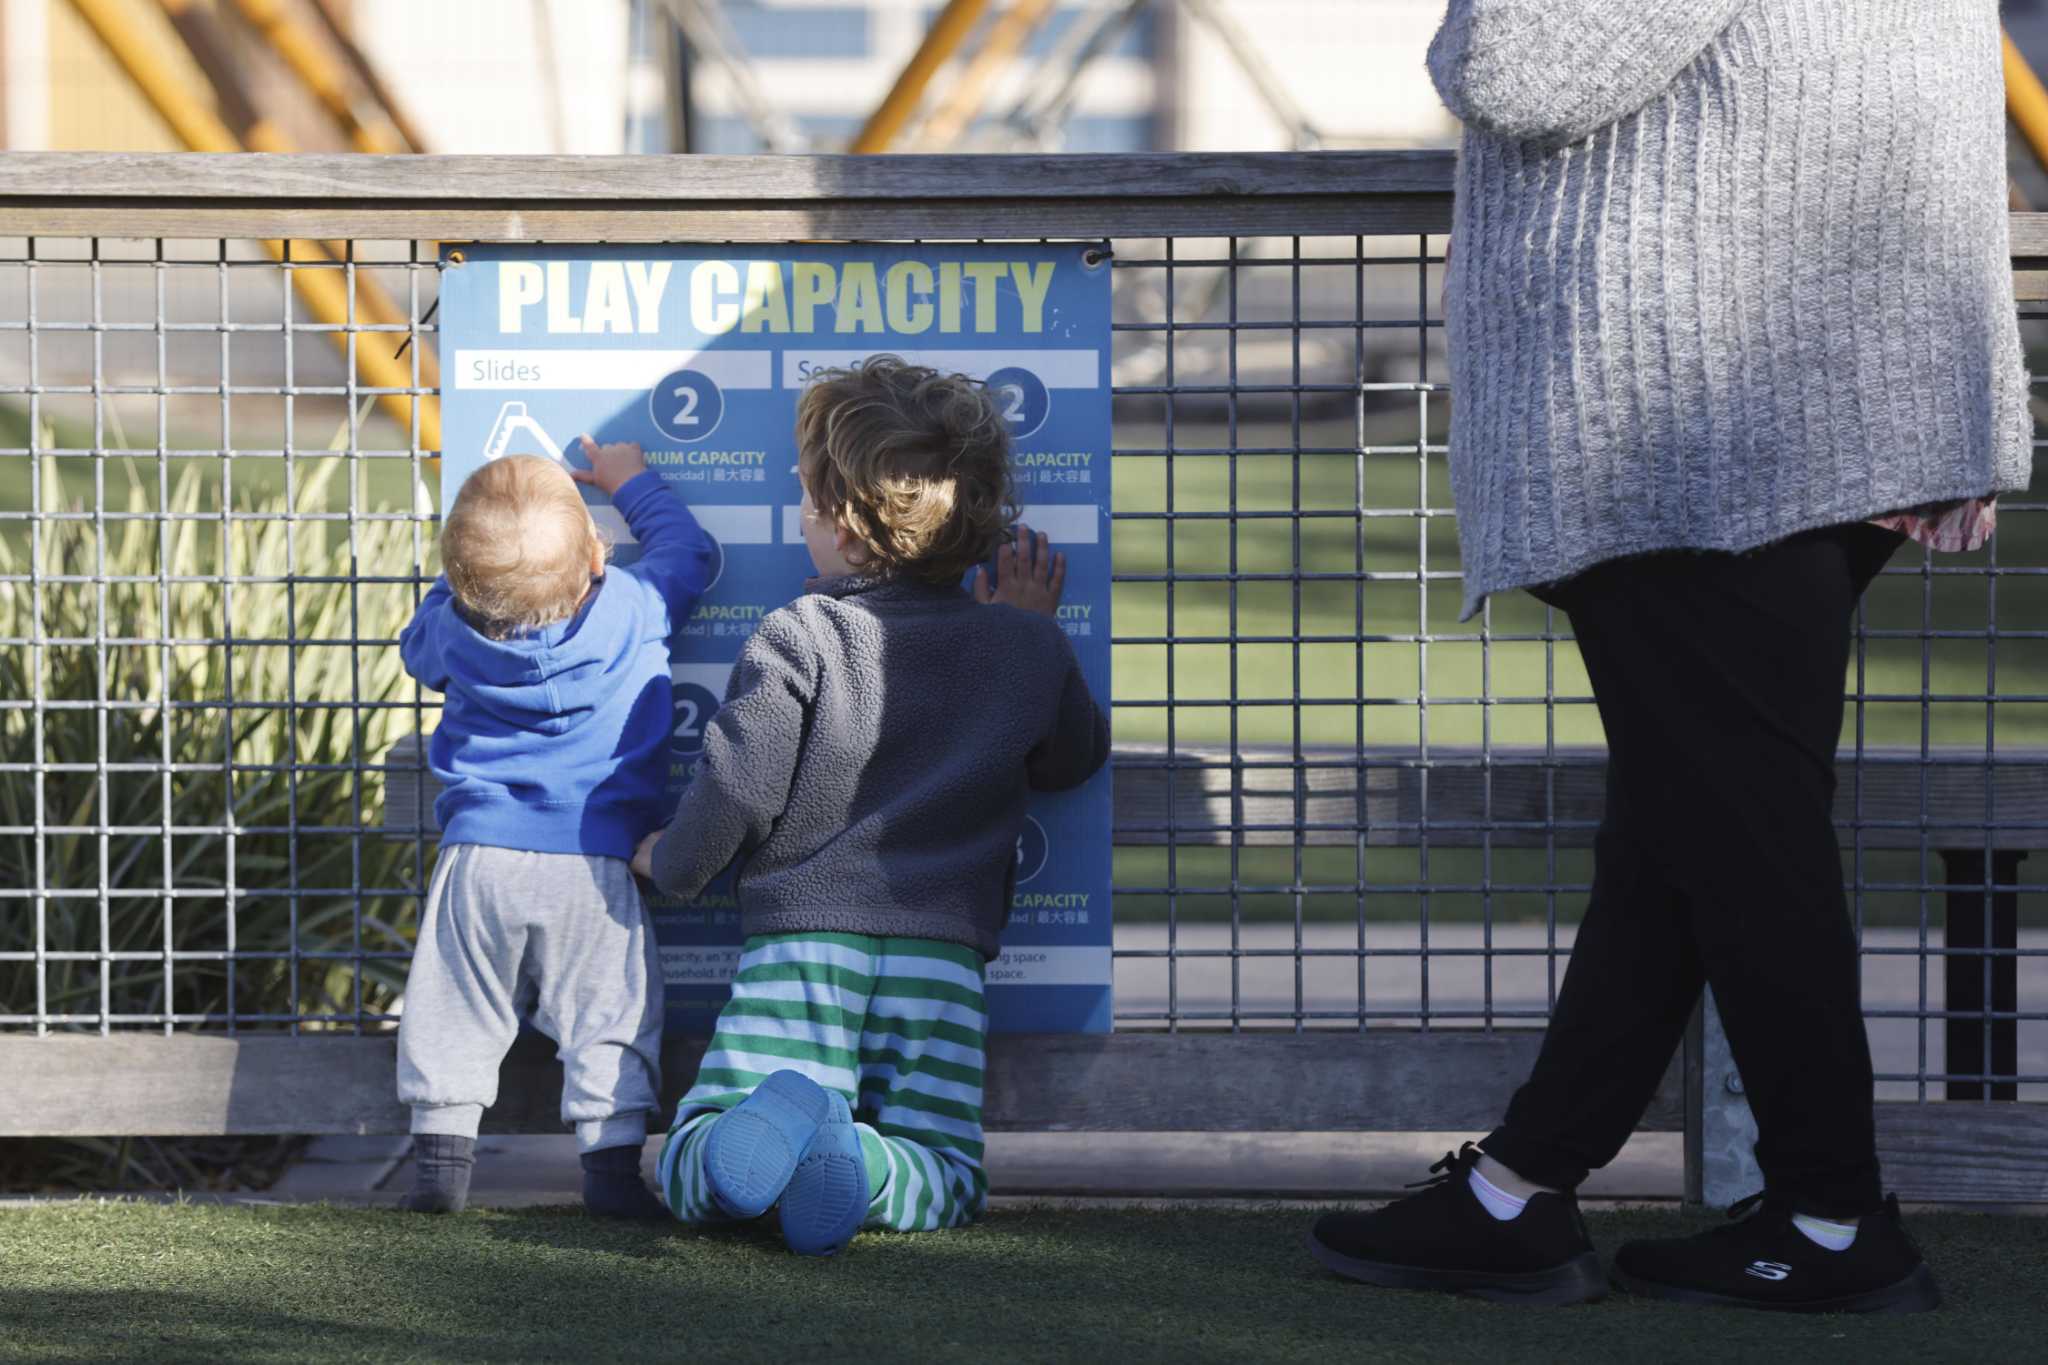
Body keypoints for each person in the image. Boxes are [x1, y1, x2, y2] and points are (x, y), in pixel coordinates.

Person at [1308, 1, 2030, 1311]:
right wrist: (1957, 399)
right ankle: (1518, 1192)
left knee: (1740, 830)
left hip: (1691, 419)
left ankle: (1831, 1213)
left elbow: (1516, 62)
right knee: (1689, 824)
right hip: (1821, 399)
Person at [632, 356, 1110, 1256]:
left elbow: (736, 785)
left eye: (810, 498)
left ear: (847, 530)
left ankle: (755, 1129)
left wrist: (671, 861)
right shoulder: (1022, 646)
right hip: (940, 960)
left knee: (691, 1153)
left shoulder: (798, 634)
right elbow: (1074, 758)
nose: (802, 513)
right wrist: (1036, 630)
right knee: (946, 1167)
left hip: (803, 947)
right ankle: (861, 1159)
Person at [394, 442, 716, 1217]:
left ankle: (440, 1162)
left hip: (480, 861)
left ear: (462, 580)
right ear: (596, 557)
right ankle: (609, 1172)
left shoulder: (451, 631)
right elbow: (692, 554)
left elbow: (416, 644)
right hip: (591, 866)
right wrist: (627, 479)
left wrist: (463, 589)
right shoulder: (633, 607)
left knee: (452, 1006)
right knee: (611, 1011)